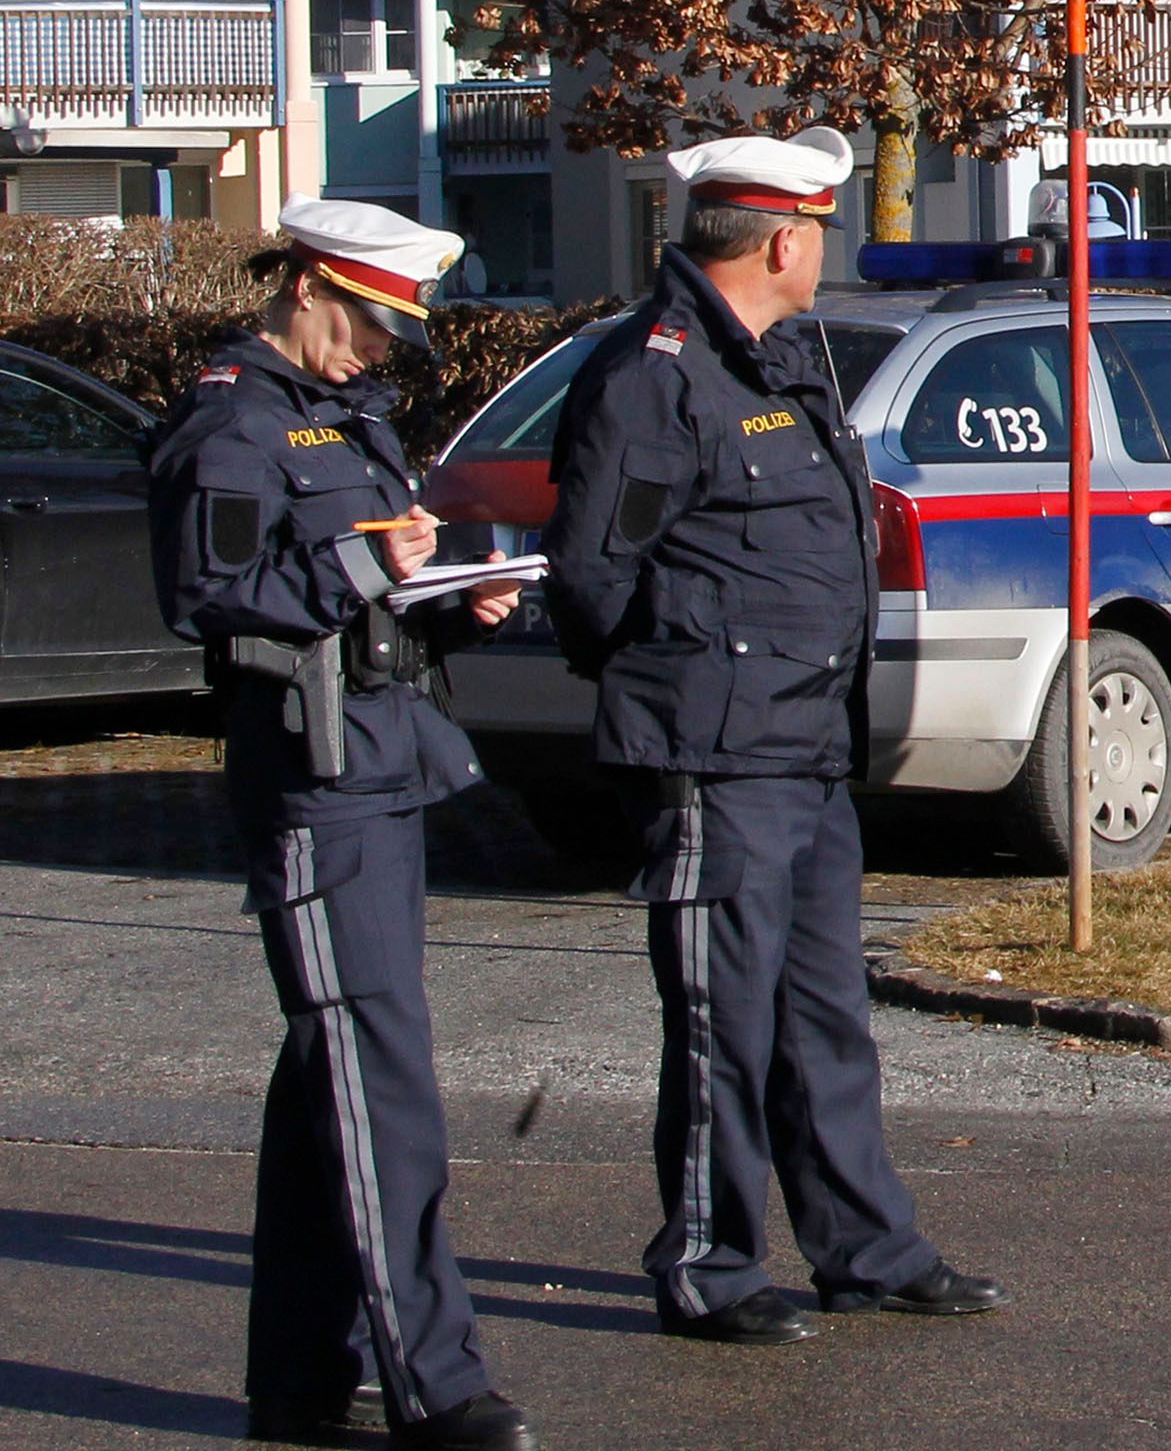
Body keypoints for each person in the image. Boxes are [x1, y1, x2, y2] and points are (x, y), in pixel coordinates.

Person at [542, 126, 1004, 1345]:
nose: (824, 250)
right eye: (820, 232)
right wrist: (683, 685)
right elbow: (593, 577)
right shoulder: (657, 374)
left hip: (803, 746)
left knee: (820, 1017)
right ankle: (709, 1263)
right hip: (713, 752)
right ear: (785, 238)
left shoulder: (779, 359)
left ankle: (865, 1249)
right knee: (720, 1024)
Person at [146, 200, 536, 1451]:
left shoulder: (343, 411)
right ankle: (435, 1378)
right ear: (308, 288)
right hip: (311, 777)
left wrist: (437, 603)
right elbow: (210, 596)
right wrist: (368, 570)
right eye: (370, 324)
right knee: (379, 1083)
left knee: (336, 1072)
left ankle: (305, 1378)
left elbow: (359, 590)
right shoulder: (230, 421)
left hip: (382, 756)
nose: (380, 353)